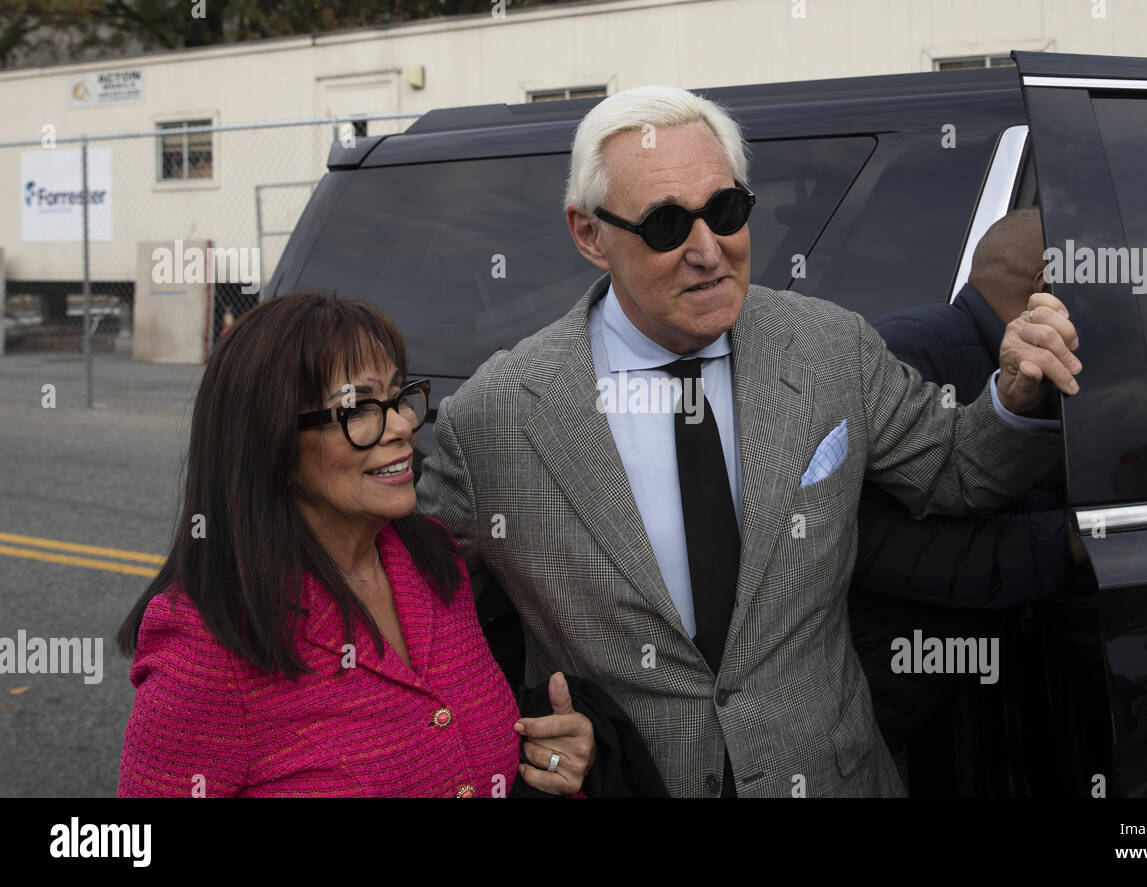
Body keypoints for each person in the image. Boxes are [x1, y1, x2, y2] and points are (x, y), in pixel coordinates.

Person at [416, 86, 1082, 797]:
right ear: (589, 234)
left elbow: (957, 469)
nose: (709, 251)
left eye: (726, 212)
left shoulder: (829, 347)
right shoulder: (496, 416)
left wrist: (1013, 395)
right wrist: (510, 728)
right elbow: (421, 618)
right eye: (668, 224)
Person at [116, 291, 596, 797]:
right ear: (270, 440)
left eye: (397, 397)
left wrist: (551, 760)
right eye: (360, 408)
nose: (404, 425)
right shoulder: (211, 642)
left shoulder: (432, 561)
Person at [848, 208, 1096, 788]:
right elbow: (868, 541)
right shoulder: (909, 349)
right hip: (899, 718)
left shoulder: (1002, 358)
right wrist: (1065, 546)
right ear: (1046, 286)